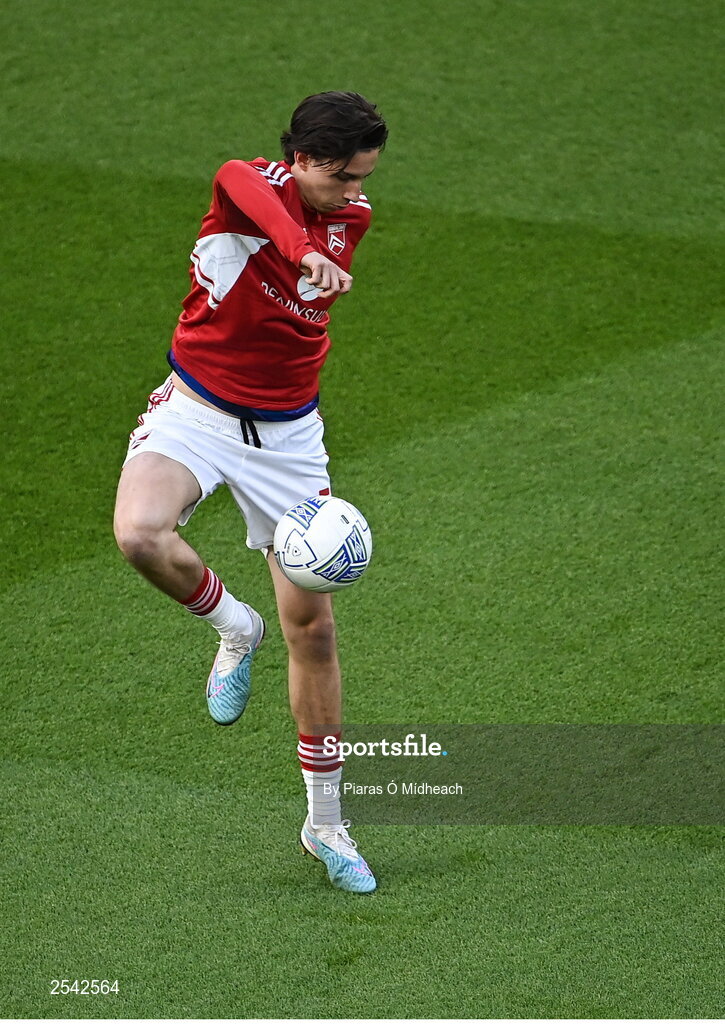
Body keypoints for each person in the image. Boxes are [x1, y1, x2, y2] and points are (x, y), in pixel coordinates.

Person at [113, 91, 388, 894]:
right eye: (341, 177)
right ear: (299, 160)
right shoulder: (245, 186)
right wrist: (301, 247)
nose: (356, 194)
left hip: (289, 439)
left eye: (364, 178)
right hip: (196, 409)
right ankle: (235, 629)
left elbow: (309, 220)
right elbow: (238, 174)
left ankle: (326, 824)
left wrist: (318, 236)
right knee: (138, 533)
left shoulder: (352, 219)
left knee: (317, 633)